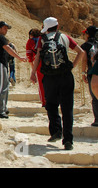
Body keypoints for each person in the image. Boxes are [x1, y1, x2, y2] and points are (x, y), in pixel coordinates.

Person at [30, 17, 85, 151]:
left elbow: (38, 56)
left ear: (46, 28)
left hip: (49, 77)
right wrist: (72, 66)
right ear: (58, 26)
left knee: (51, 104)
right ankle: (68, 141)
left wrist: (33, 73)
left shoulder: (42, 39)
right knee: (67, 108)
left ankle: (55, 131)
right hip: (66, 76)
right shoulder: (65, 37)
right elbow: (81, 52)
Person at [0, 21, 27, 119]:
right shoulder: (0, 37)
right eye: (4, 28)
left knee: (3, 85)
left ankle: (3, 107)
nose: (6, 30)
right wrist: (19, 57)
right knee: (2, 86)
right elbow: (7, 48)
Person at [81, 26, 98, 126]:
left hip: (92, 73)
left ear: (87, 34)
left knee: (95, 97)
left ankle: (97, 120)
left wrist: (83, 73)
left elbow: (84, 60)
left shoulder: (85, 45)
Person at [26, 28, 46, 107]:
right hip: (48, 62)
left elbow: (29, 56)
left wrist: (33, 69)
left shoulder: (30, 41)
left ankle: (44, 102)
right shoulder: (44, 39)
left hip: (38, 63)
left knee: (41, 83)